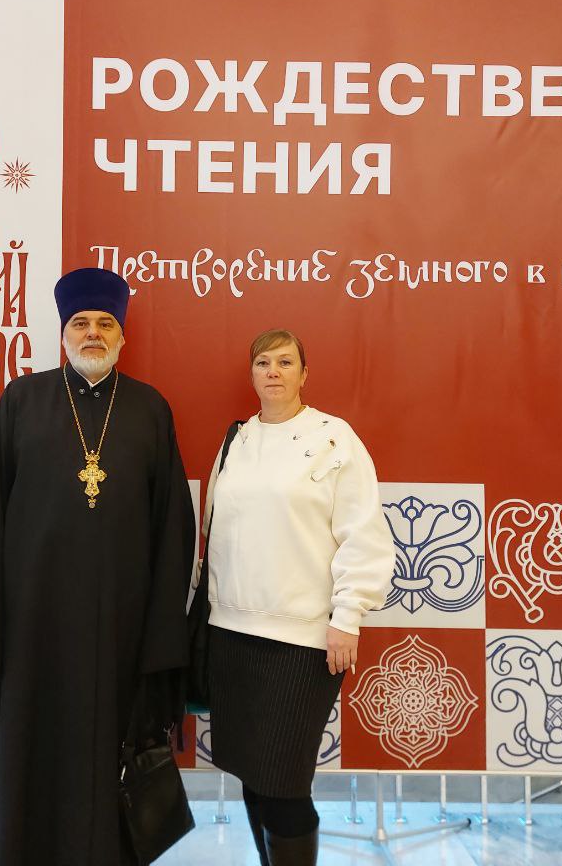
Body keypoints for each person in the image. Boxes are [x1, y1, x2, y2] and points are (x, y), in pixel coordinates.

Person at [0, 267, 196, 865]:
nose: (93, 333)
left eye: (106, 323)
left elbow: (172, 529)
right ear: (62, 334)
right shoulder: (21, 401)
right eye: (80, 323)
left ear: (123, 336)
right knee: (31, 749)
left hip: (121, 630)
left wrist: (159, 635)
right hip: (32, 629)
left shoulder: (150, 409)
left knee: (111, 753)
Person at [203, 329, 394, 865]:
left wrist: (348, 616)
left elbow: (363, 532)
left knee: (284, 785)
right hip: (230, 634)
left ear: (304, 374)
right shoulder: (236, 440)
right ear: (251, 375)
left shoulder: (336, 438)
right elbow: (214, 533)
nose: (273, 372)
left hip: (302, 641)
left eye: (285, 362)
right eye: (263, 362)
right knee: (252, 775)